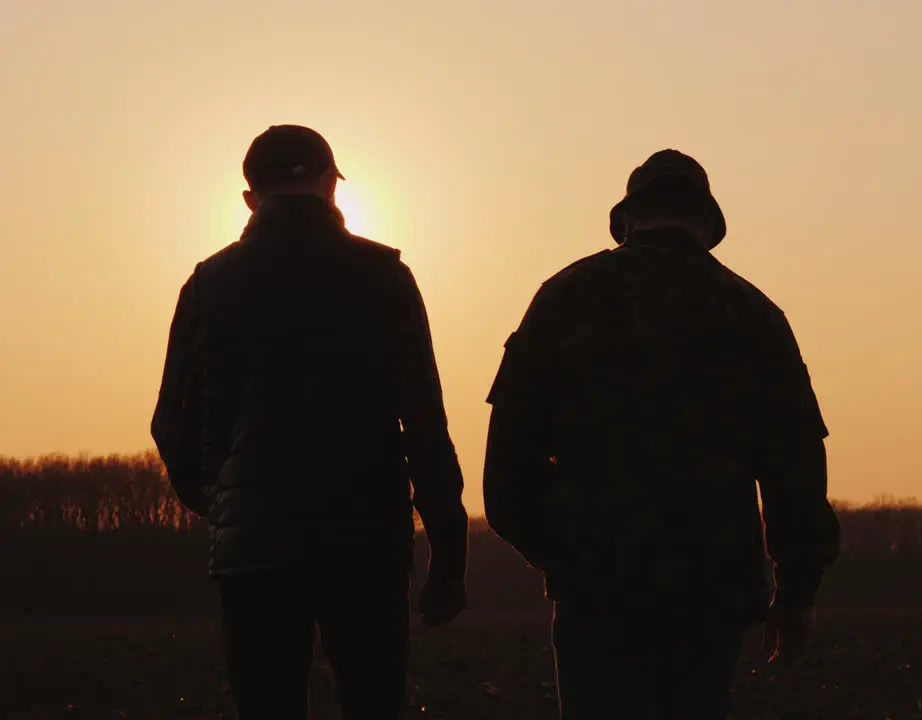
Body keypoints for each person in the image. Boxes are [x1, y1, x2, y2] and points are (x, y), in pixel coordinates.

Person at [483, 149, 841, 719]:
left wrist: (566, 552)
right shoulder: (753, 315)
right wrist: (796, 595)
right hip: (711, 591)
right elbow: (796, 472)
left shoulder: (564, 298)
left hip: (596, 590)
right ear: (707, 225)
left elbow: (505, 472)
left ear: (627, 221)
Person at [150, 124, 468, 720]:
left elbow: (171, 422)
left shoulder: (208, 284)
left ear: (250, 197)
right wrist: (448, 558)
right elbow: (426, 425)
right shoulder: (385, 276)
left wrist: (223, 504)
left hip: (255, 552)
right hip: (368, 543)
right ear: (331, 185)